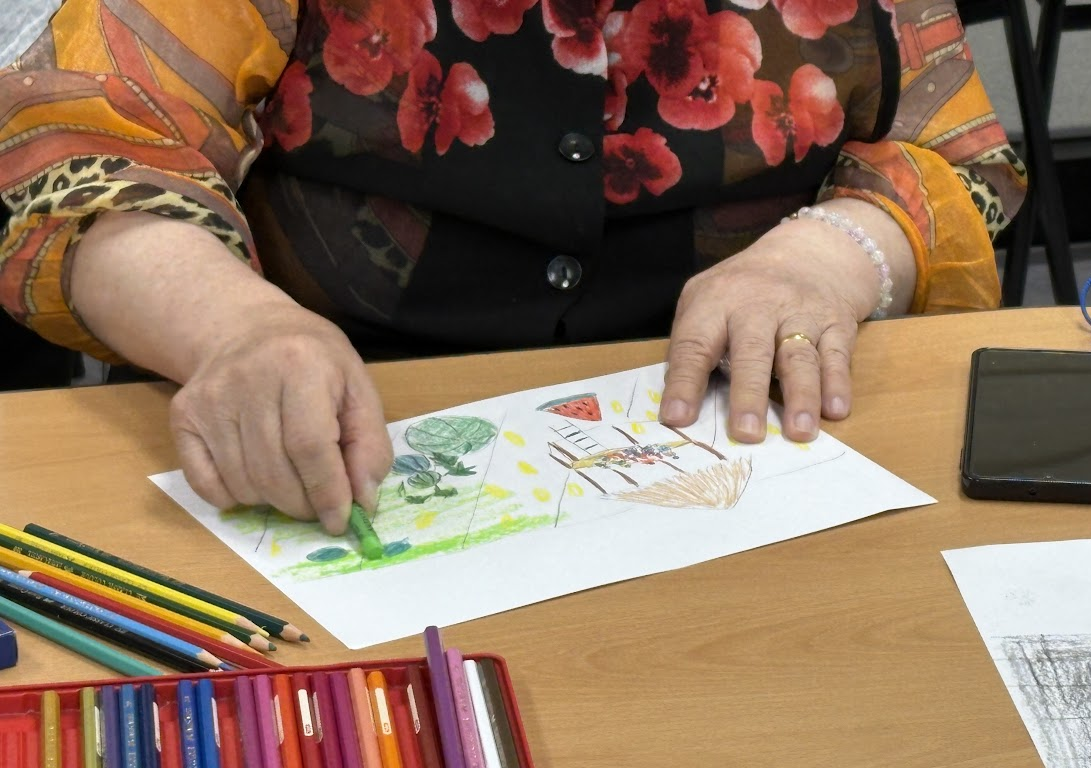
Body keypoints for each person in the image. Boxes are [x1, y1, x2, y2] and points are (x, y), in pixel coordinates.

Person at [0, 0, 1024, 534]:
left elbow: (959, 159)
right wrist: (232, 327)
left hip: (738, 442)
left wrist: (834, 253)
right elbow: (83, 158)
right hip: (338, 432)